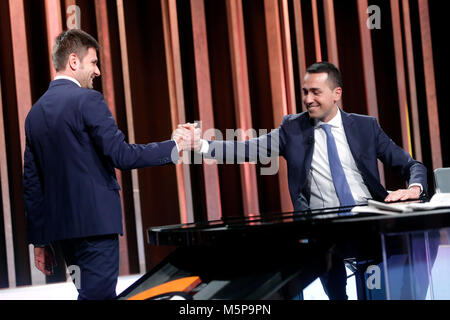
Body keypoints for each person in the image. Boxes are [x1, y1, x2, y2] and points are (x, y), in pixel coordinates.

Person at [184, 61, 427, 299]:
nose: (308, 99)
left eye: (315, 92)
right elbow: (248, 149)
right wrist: (202, 145)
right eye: (305, 92)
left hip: (369, 222)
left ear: (336, 94)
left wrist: (414, 188)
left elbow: (410, 165)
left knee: (417, 244)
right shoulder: (292, 129)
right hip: (323, 229)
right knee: (313, 249)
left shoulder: (365, 126)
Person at [23, 29, 199, 300]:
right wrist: (174, 146)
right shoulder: (87, 100)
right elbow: (122, 156)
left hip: (63, 234)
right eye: (93, 62)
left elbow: (32, 185)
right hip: (96, 228)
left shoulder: (34, 114)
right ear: (73, 61)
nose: (98, 71)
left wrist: (40, 241)